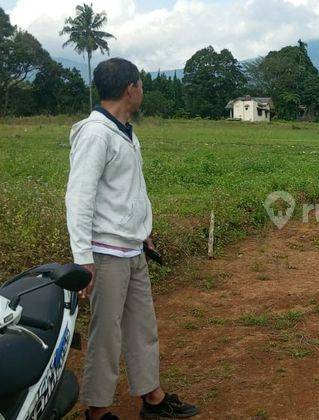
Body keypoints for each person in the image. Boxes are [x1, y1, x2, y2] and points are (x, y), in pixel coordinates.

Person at [65, 58, 199, 420]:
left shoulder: (123, 129)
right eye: (140, 84)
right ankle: (96, 411)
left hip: (132, 247)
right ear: (130, 88)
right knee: (106, 334)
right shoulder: (95, 134)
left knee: (142, 326)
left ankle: (152, 398)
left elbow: (128, 190)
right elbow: (79, 197)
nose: (142, 90)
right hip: (106, 253)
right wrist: (83, 257)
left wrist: (145, 230)